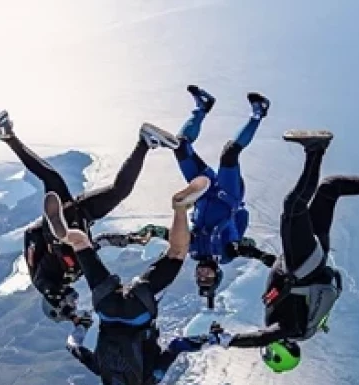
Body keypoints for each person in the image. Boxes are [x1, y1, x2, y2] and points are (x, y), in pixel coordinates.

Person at [184, 129, 359, 373]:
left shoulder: (297, 324)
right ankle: (315, 149)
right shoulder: (292, 329)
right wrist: (226, 341)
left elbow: (281, 282)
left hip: (310, 259)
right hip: (303, 263)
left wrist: (260, 256)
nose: (267, 347)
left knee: (330, 188)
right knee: (293, 206)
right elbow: (262, 337)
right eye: (269, 353)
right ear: (279, 353)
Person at [48, 176, 213, 385]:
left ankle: (181, 207)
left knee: (177, 252)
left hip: (139, 309)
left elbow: (177, 346)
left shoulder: (151, 378)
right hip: (105, 307)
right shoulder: (105, 377)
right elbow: (73, 347)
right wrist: (79, 326)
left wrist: (208, 340)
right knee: (81, 245)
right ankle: (66, 233)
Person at [94, 85, 275, 308]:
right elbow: (245, 246)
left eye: (200, 278)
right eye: (208, 278)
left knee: (180, 146)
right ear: (217, 274)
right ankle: (258, 114)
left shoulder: (194, 249)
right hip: (229, 195)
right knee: (229, 154)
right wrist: (265, 257)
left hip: (203, 190)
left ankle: (202, 107)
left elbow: (167, 234)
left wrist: (137, 236)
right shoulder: (226, 254)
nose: (203, 274)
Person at [0, 110, 179, 325]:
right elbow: (96, 245)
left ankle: (7, 137)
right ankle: (145, 141)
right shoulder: (72, 275)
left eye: (70, 304)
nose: (74, 301)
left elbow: (48, 290)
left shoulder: (45, 283)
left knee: (51, 178)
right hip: (82, 219)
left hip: (63, 228)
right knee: (119, 191)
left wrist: (71, 317)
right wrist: (129, 239)